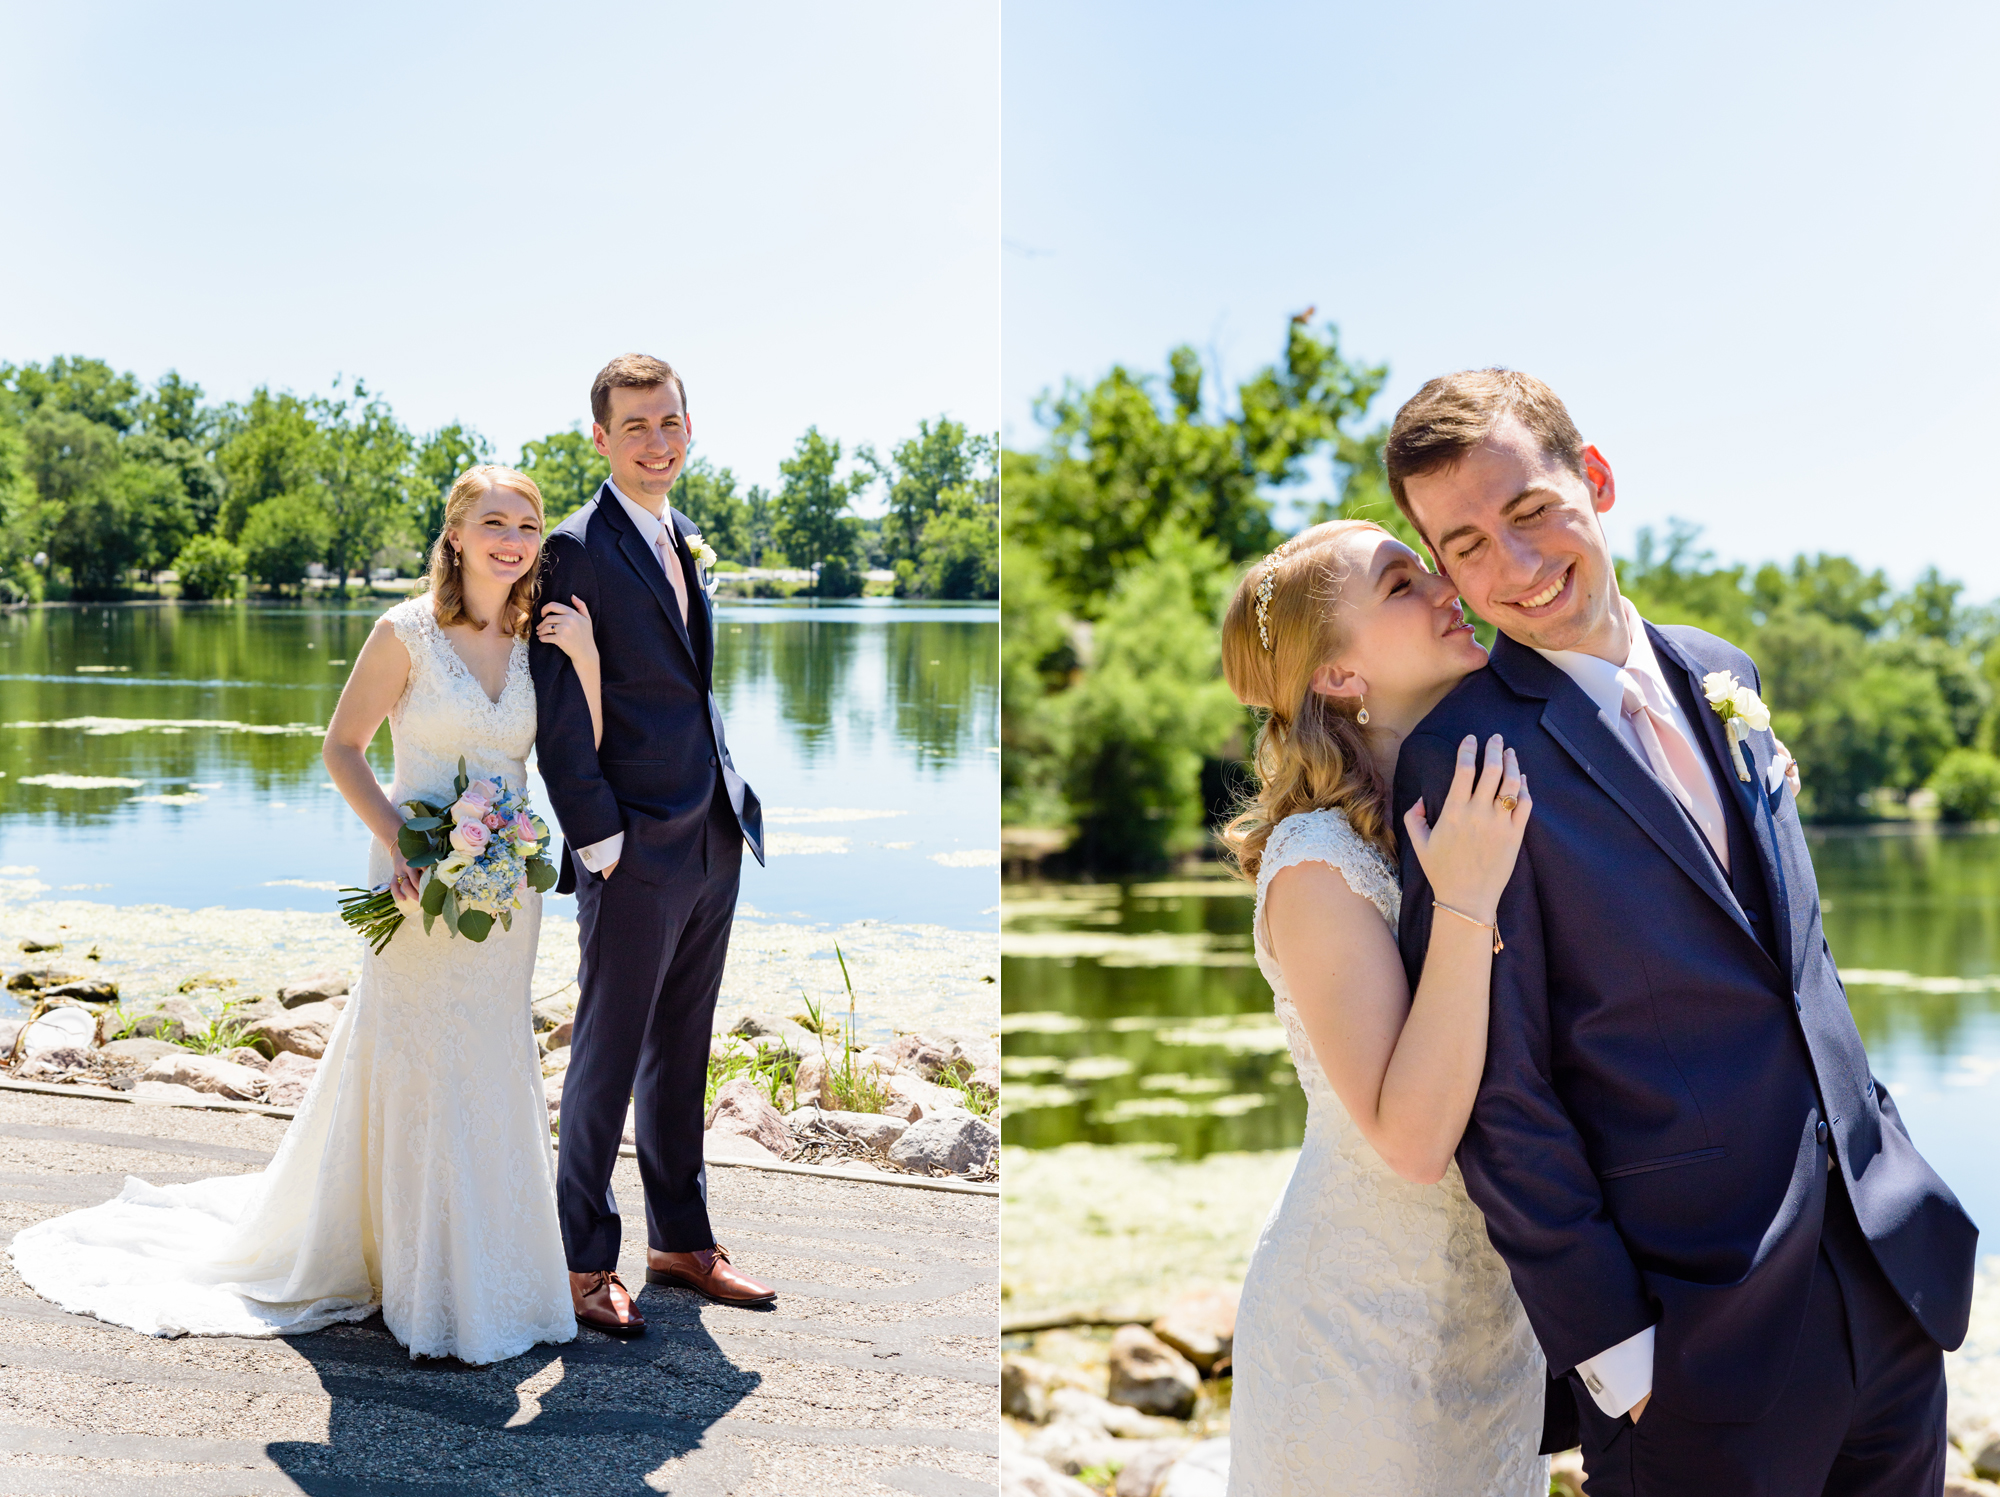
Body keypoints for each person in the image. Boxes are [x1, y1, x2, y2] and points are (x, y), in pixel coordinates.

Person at [1387, 369, 1977, 1494]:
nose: (1512, 567)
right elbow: (1501, 1096)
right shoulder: (1465, 759)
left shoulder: (1721, 675)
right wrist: (1615, 1355)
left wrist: (1890, 1178)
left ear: (1594, 479)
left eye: (1530, 511)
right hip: (1693, 1342)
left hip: (1886, 1282)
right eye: (1463, 546)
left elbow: (1793, 970)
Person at [9, 464, 593, 1365]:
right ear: (457, 535)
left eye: (526, 523)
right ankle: (417, 1280)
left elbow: (572, 756)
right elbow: (342, 748)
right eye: (493, 522)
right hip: (410, 878)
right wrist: (400, 838)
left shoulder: (535, 641)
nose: (512, 539)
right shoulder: (405, 631)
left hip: (502, 896)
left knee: (489, 1061)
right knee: (414, 1058)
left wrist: (585, 662)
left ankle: (492, 1270)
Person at [1218, 518, 1551, 1495]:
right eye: (1403, 584)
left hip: (1496, 1333)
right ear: (1338, 678)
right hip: (1356, 1341)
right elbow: (1410, 1142)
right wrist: (1464, 900)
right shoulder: (1317, 866)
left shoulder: (1468, 813)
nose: (1449, 586)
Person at [529, 353, 770, 1339]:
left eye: (668, 422)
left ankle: (679, 1240)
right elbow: (556, 716)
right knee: (605, 1051)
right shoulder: (576, 548)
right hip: (630, 843)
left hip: (712, 829)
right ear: (600, 438)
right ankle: (583, 1257)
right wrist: (601, 844)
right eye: (634, 426)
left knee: (683, 1046)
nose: (656, 441)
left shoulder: (677, 537)